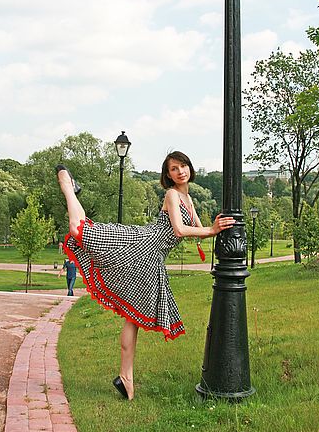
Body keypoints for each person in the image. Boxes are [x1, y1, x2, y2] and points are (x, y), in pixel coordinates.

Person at [56, 152, 235, 401]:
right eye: (174, 168)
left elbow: (197, 230)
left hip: (153, 258)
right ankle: (67, 185)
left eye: (183, 166)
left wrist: (215, 227)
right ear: (168, 175)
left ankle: (126, 377)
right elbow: (180, 230)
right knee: (79, 230)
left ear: (190, 168)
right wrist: (211, 229)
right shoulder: (172, 194)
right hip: (142, 244)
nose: (180, 171)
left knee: (133, 316)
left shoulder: (188, 198)